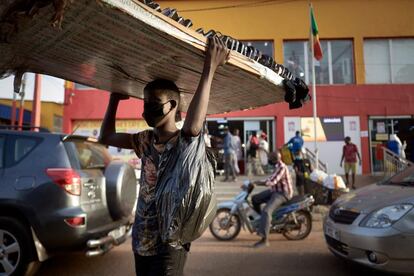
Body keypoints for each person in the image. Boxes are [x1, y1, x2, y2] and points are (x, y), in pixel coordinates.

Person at [99, 36, 229, 276]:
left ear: (173, 106)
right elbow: (105, 137)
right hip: (141, 239)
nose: (148, 109)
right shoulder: (145, 140)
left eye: (155, 103)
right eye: (146, 103)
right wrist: (114, 99)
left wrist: (209, 67)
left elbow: (192, 127)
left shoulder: (186, 144)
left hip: (170, 244)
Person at [251, 151, 293, 248]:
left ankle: (264, 240)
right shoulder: (276, 167)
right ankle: (262, 222)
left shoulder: (282, 167)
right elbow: (271, 179)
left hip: (283, 193)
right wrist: (256, 182)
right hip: (275, 191)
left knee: (266, 211)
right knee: (255, 199)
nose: (268, 160)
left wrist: (257, 183)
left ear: (274, 160)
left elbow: (272, 182)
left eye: (269, 159)